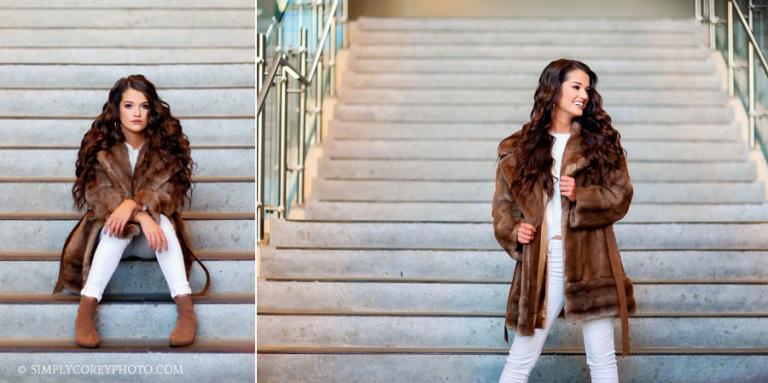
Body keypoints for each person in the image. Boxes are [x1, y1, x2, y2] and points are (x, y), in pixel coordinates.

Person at [492, 59, 636, 382]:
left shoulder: (600, 144)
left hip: (590, 260)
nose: (584, 94)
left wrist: (582, 195)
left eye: (587, 88)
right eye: (576, 86)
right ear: (553, 89)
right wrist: (515, 231)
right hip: (544, 261)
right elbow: (502, 209)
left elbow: (621, 195)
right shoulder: (518, 149)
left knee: (602, 359)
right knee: (520, 358)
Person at [52, 74, 210, 348]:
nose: (137, 113)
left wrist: (138, 208)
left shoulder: (165, 149)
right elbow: (97, 193)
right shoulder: (101, 149)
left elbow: (169, 195)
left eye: (144, 106)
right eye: (129, 105)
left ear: (152, 110)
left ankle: (185, 309)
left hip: (154, 241)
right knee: (117, 229)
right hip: (112, 237)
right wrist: (135, 213)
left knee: (164, 224)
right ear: (116, 109)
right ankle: (86, 310)